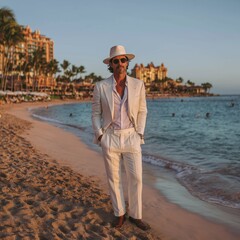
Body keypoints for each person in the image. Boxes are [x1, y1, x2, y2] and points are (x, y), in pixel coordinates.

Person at [91, 45, 150, 230]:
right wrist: (100, 135)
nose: (120, 63)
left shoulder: (138, 84)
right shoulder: (101, 86)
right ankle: (120, 214)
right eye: (115, 61)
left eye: (123, 60)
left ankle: (136, 215)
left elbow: (142, 111)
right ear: (110, 64)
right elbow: (95, 114)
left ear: (127, 62)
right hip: (111, 137)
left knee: (136, 178)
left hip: (132, 137)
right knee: (113, 179)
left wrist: (139, 133)